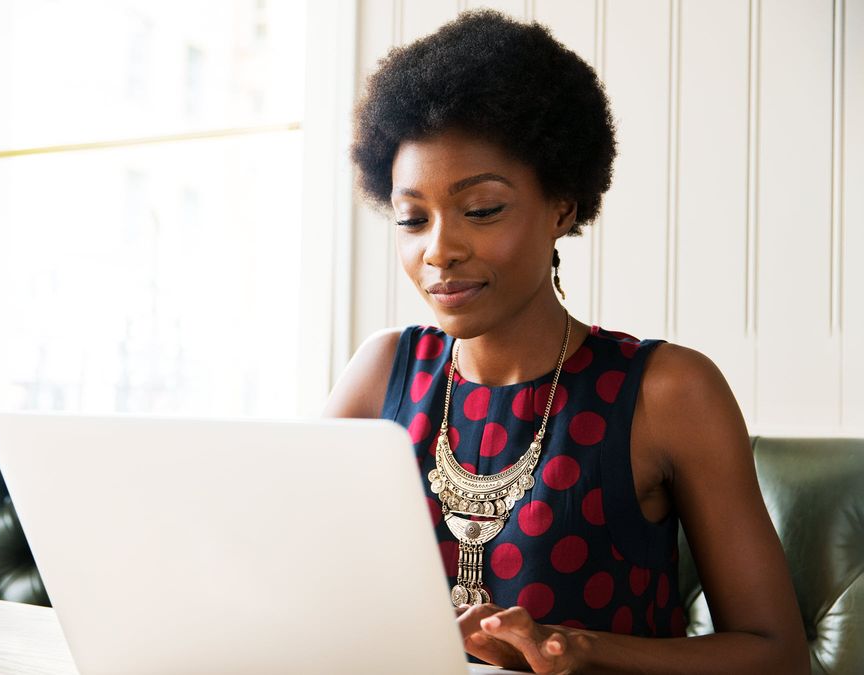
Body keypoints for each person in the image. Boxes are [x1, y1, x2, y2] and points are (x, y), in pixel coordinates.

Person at [323, 10, 807, 674]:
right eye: (413, 218)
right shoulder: (382, 373)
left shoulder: (668, 391)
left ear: (562, 204)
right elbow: (295, 584)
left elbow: (776, 655)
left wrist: (580, 649)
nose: (440, 250)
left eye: (482, 209)